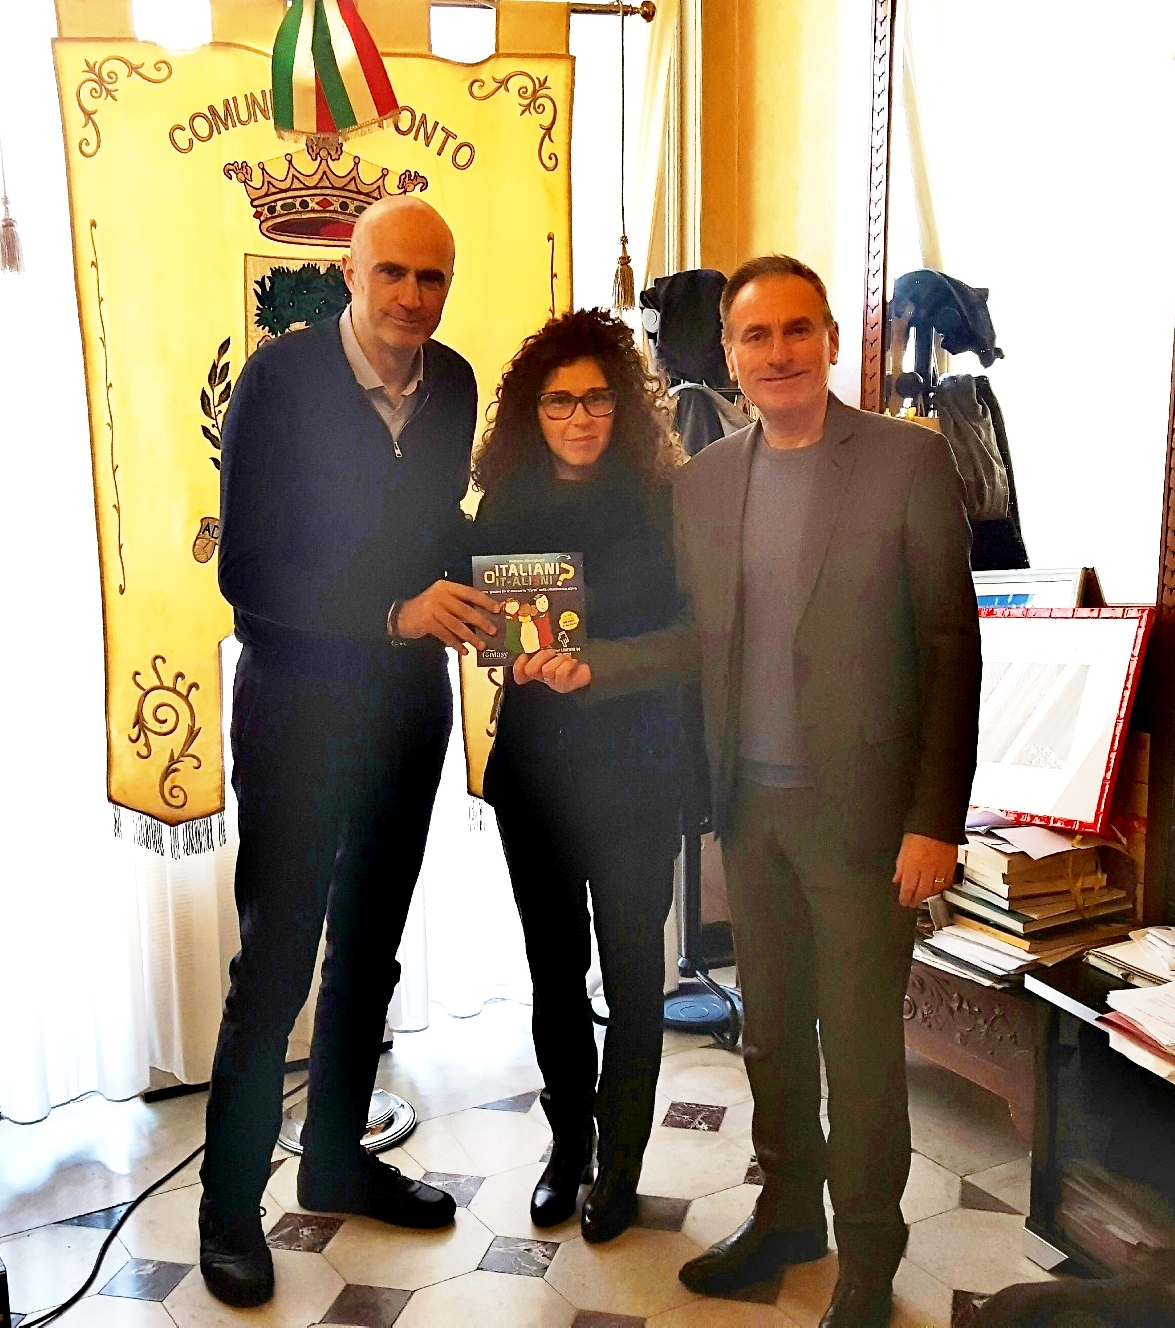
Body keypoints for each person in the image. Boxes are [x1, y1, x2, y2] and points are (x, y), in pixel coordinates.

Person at [522, 257, 980, 1327]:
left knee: (857, 1048)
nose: (776, 353)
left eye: (794, 330)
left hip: (866, 820)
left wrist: (934, 821)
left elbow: (948, 650)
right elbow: (699, 637)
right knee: (770, 1035)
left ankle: (868, 1252)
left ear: (829, 339)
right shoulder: (706, 479)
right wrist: (597, 664)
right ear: (727, 354)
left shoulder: (907, 462)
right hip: (750, 809)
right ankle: (786, 1218)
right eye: (753, 336)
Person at [200, 195, 500, 1309]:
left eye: (433, 277)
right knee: (275, 962)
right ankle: (228, 1208)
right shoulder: (276, 382)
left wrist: (513, 584)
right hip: (295, 706)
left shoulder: (453, 382)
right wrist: (392, 614)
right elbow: (247, 573)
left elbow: (435, 531)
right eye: (393, 274)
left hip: (406, 709)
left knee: (370, 947)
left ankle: (334, 1160)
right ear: (350, 275)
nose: (413, 297)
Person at [472, 308, 685, 1243]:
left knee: (634, 973)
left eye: (598, 399)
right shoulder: (504, 505)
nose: (581, 417)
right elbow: (492, 624)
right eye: (560, 401)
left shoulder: (666, 502)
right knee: (553, 971)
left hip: (638, 765)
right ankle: (568, 1148)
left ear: (623, 405)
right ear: (533, 410)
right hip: (537, 770)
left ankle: (622, 1162)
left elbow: (689, 636)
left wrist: (599, 661)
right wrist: (491, 639)